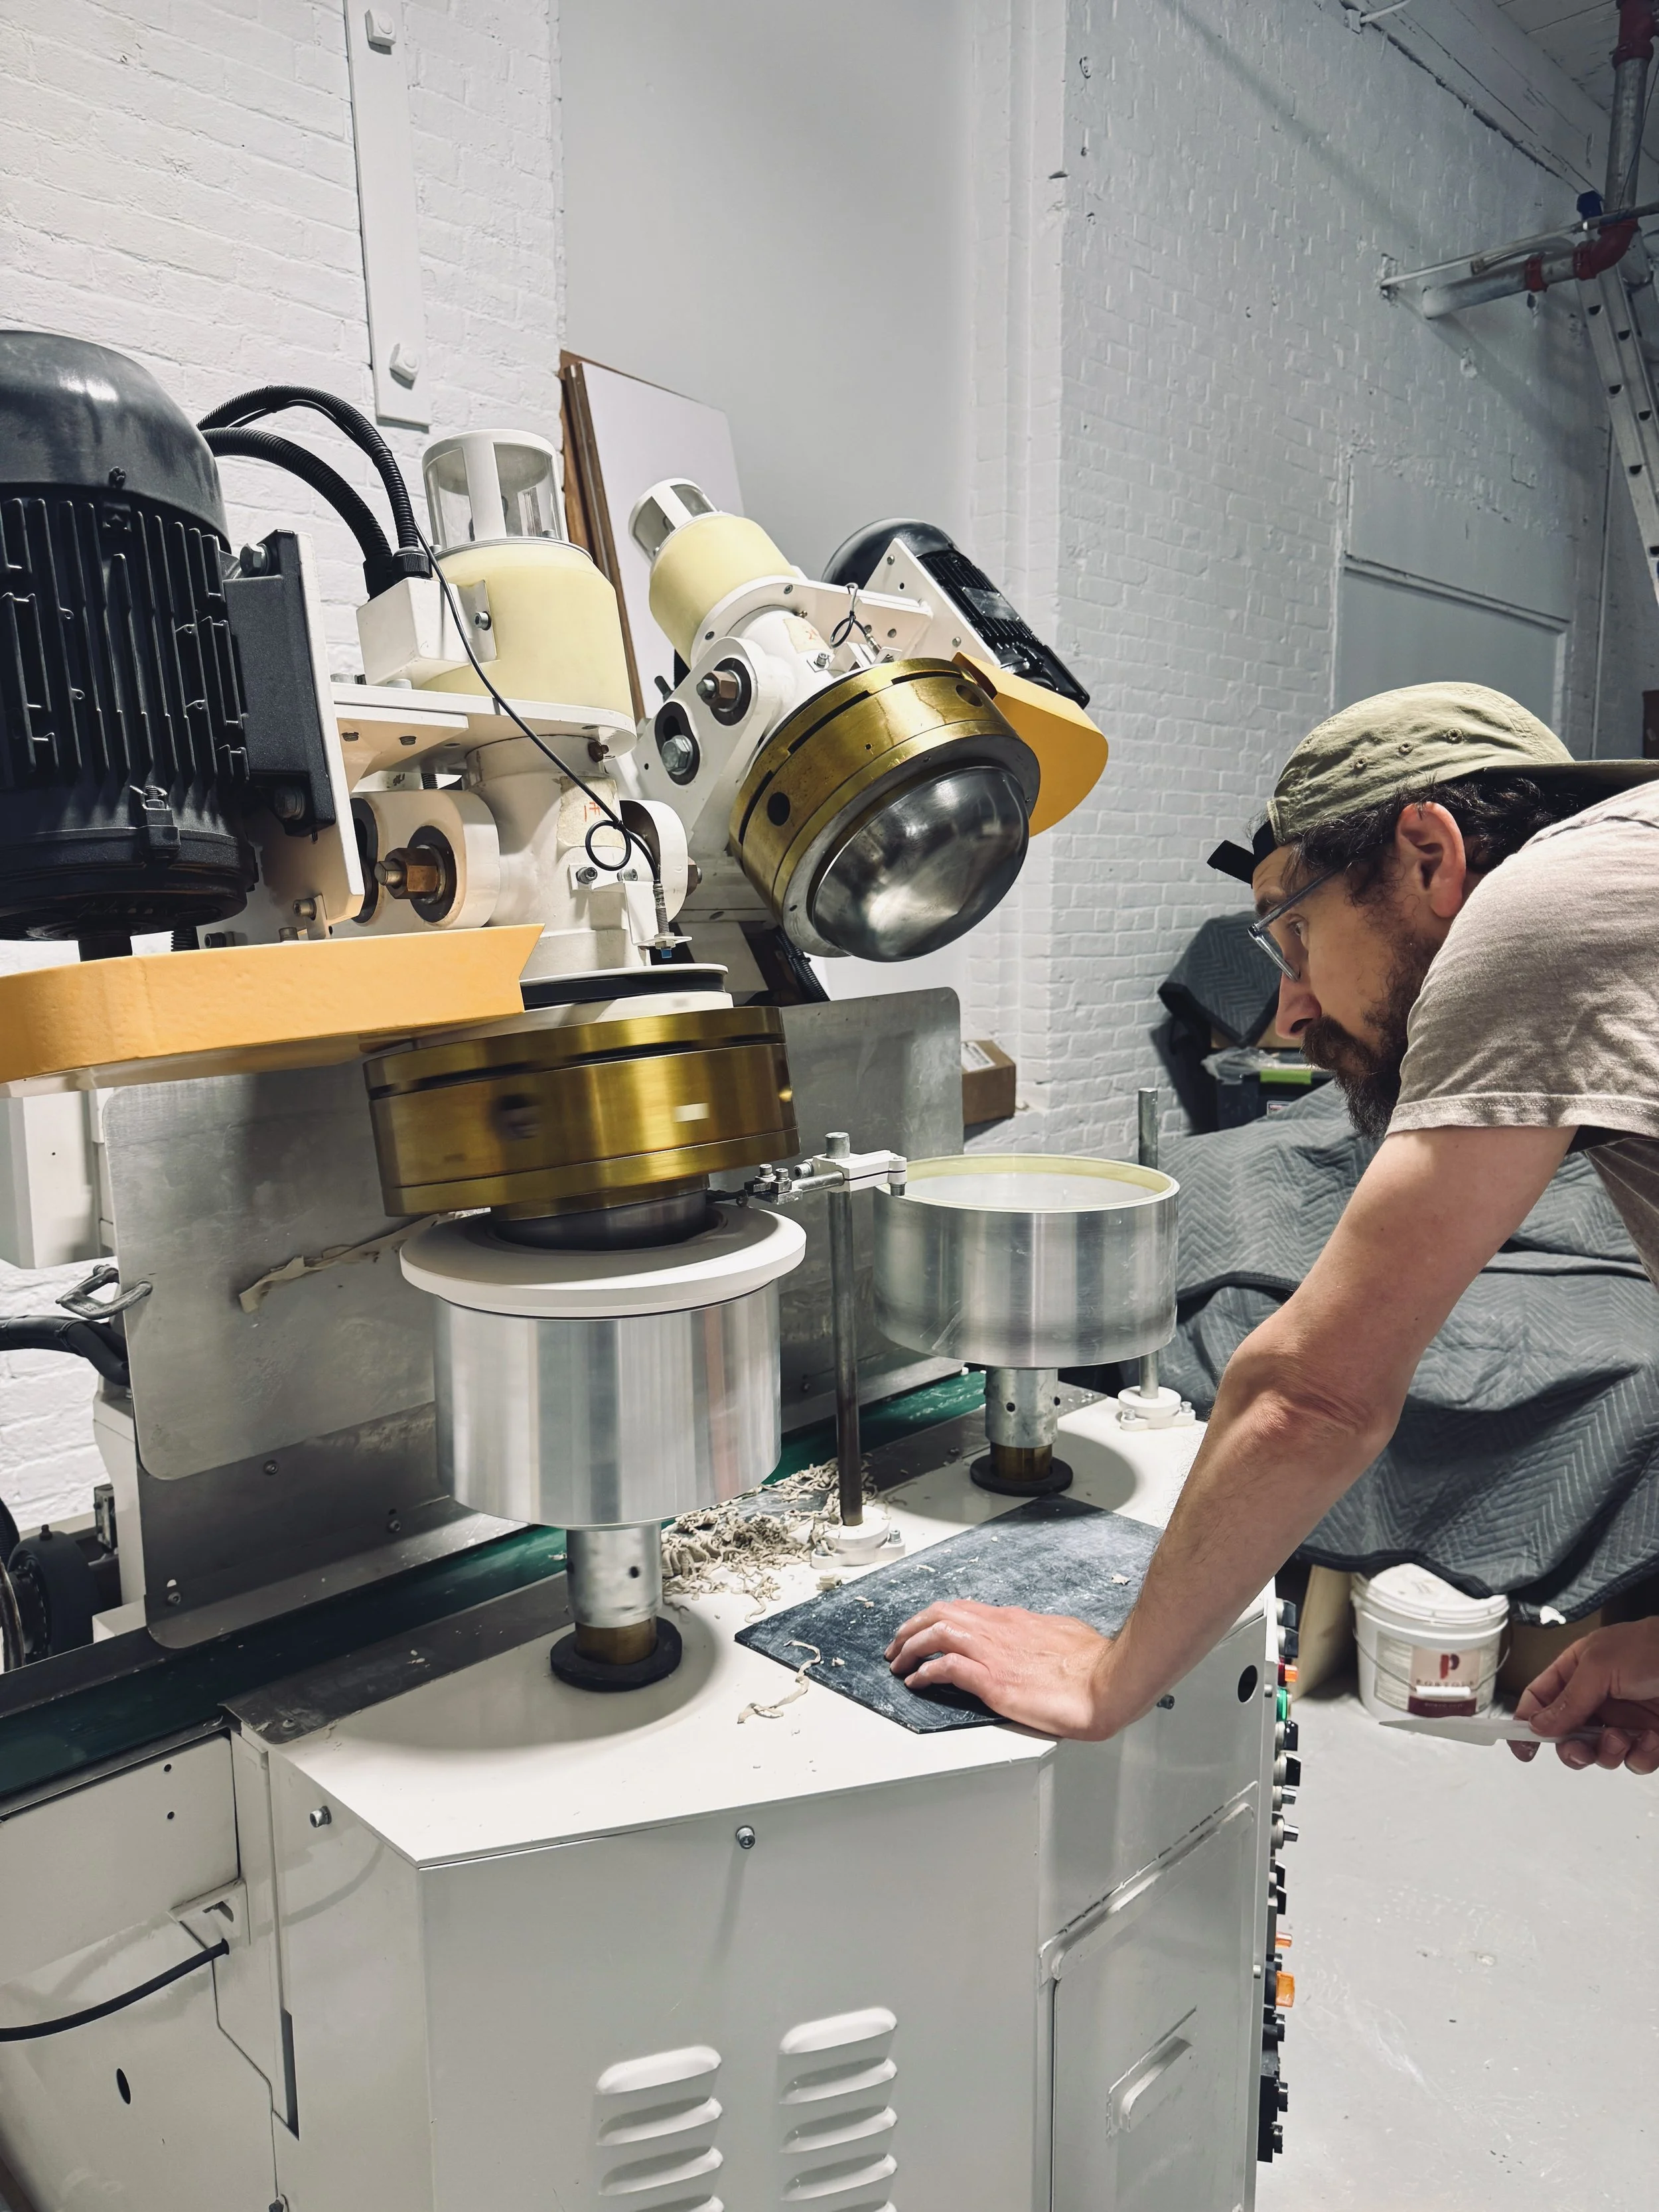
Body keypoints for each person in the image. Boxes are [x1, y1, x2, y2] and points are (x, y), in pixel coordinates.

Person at [885, 682, 1659, 1775]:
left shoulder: (1542, 915)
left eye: (1295, 934)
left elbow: (1318, 1398)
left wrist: (1109, 1678)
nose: (1289, 1009)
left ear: (1430, 855)